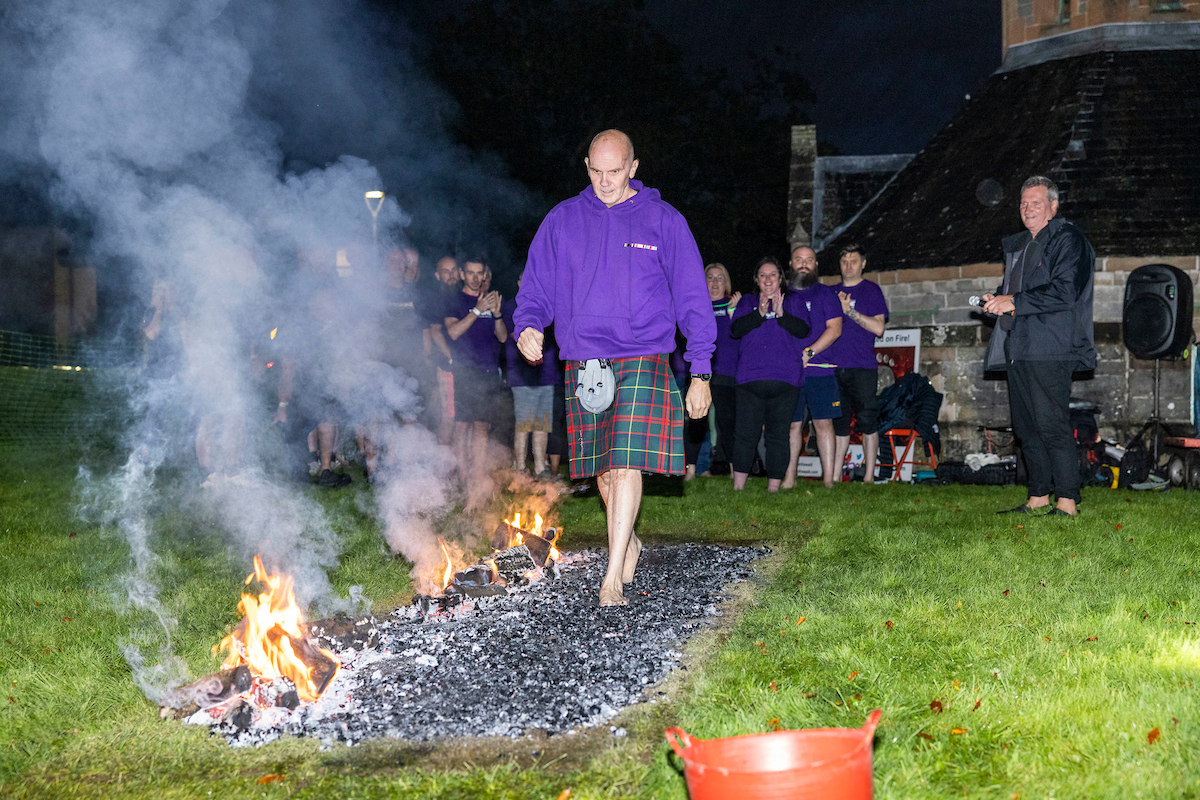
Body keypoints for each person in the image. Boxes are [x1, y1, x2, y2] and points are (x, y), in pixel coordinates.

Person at [513, 129, 715, 607]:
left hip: (644, 353)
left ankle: (612, 577)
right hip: (584, 359)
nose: (605, 181)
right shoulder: (562, 219)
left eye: (615, 171)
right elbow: (536, 287)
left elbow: (692, 297)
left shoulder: (663, 221)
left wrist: (700, 370)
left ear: (634, 168)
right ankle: (630, 542)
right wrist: (529, 325)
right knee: (604, 470)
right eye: (596, 171)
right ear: (587, 165)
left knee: (624, 462)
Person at [983, 175, 1095, 517]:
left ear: (1053, 205)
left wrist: (1012, 301)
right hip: (1019, 345)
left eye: (1035, 202)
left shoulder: (1067, 239)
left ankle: (1068, 501)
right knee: (1026, 427)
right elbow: (1019, 294)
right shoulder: (1021, 245)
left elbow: (1065, 292)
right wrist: (998, 300)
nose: (1028, 209)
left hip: (1051, 346)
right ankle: (1038, 496)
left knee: (1051, 424)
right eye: (1023, 203)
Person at [728, 257, 811, 492]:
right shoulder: (747, 301)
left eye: (773, 274)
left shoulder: (794, 301)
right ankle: (738, 487)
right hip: (749, 380)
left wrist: (782, 314)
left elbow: (804, 330)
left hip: (785, 380)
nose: (768, 279)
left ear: (781, 278)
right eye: (762, 275)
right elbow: (735, 330)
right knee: (745, 435)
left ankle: (773, 487)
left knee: (777, 436)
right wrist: (759, 313)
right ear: (756, 279)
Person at [444, 257, 507, 506]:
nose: (474, 277)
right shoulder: (455, 300)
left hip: (488, 372)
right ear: (462, 274)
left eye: (479, 273)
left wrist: (498, 314)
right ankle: (462, 476)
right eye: (469, 272)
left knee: (482, 427)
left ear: (484, 275)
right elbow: (453, 332)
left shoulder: (490, 301)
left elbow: (502, 337)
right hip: (465, 371)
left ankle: (479, 478)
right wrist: (478, 310)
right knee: (462, 425)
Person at [827, 244, 888, 483]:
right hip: (834, 367)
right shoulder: (829, 292)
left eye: (853, 261)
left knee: (867, 421)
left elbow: (879, 328)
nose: (848, 266)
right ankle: (832, 477)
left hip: (862, 366)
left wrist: (848, 311)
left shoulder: (871, 291)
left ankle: (869, 477)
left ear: (863, 263)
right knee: (838, 423)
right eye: (844, 261)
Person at [782, 245, 843, 489]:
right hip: (789, 372)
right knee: (792, 425)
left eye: (809, 260)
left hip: (821, 369)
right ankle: (789, 478)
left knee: (823, 424)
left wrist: (808, 352)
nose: (804, 264)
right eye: (799, 260)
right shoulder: (780, 295)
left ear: (816, 265)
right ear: (790, 264)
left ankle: (828, 480)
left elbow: (835, 329)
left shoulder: (826, 294)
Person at [502, 272, 560, 477]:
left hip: (546, 374)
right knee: (524, 425)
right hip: (522, 377)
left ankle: (539, 468)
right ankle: (519, 468)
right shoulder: (511, 307)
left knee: (542, 425)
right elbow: (510, 334)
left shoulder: (551, 306)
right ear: (519, 283)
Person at [705, 262, 741, 476]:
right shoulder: (697, 305)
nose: (715, 282)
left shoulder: (734, 303)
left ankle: (732, 469)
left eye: (720, 278)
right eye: (710, 277)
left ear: (726, 282)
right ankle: (699, 468)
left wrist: (732, 314)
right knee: (700, 423)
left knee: (726, 422)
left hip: (730, 373)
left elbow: (742, 335)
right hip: (701, 373)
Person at [427, 255, 461, 445]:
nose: (451, 275)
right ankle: (441, 466)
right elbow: (435, 332)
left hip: (466, 366)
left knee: (463, 419)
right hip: (447, 366)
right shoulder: (436, 300)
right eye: (446, 271)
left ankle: (458, 465)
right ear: (438, 275)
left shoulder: (462, 297)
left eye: (454, 270)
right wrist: (452, 357)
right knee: (449, 417)